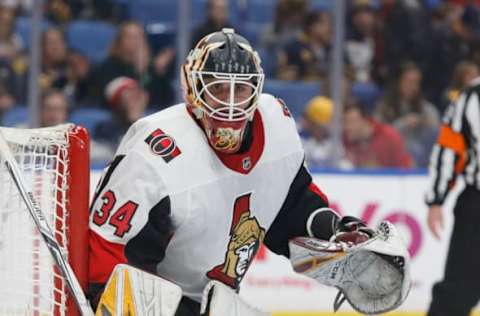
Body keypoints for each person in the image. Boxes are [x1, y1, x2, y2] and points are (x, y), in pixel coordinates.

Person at [87, 29, 407, 315]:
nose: (229, 103)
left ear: (256, 91)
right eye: (217, 87)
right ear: (193, 87)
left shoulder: (276, 122)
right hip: (156, 302)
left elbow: (292, 206)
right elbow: (107, 256)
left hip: (214, 300)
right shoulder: (156, 151)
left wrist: (336, 232)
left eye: (240, 90)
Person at [425, 77, 480, 316]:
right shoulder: (473, 95)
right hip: (477, 204)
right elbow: (449, 147)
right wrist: (437, 199)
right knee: (458, 290)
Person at [343, 101, 413, 168]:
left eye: (351, 121)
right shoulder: (344, 139)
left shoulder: (389, 137)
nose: (347, 127)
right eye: (344, 122)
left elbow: (406, 169)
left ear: (365, 120)